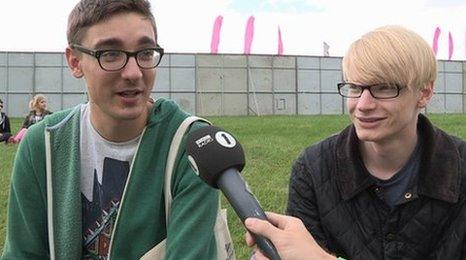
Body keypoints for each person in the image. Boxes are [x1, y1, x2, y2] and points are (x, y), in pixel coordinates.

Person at [2, 1, 219, 259]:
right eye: (110, 54)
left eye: (145, 52)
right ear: (75, 62)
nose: (133, 72)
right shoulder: (43, 145)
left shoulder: (194, 146)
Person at [245, 25, 466, 260]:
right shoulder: (314, 169)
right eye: (355, 87)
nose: (362, 104)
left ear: (424, 93)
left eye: (383, 88)